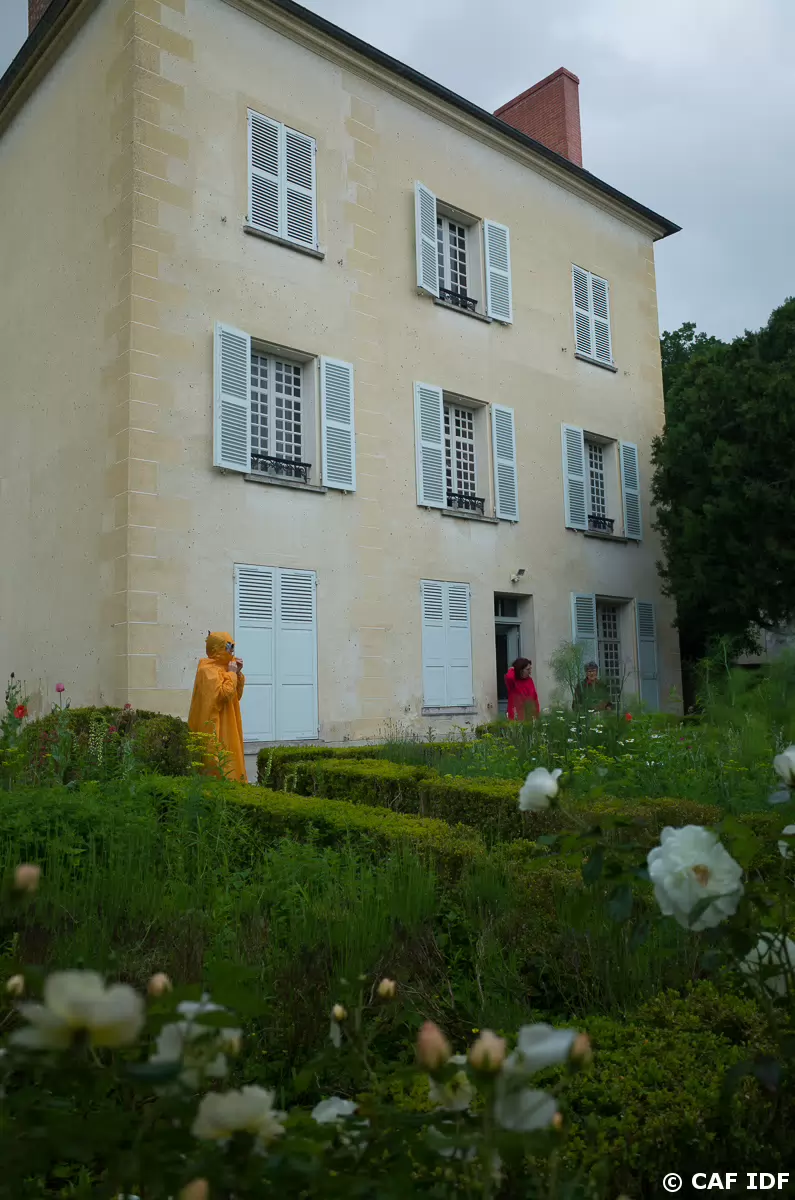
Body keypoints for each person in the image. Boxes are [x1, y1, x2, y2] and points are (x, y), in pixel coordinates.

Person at [188, 631, 247, 782]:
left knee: (231, 756)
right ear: (217, 649)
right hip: (216, 723)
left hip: (230, 721)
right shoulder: (207, 670)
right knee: (218, 759)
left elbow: (235, 696)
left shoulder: (226, 668)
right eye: (228, 647)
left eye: (233, 647)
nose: (231, 651)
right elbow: (223, 695)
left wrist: (237, 674)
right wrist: (232, 674)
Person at [504, 657, 540, 721]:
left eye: (530, 669)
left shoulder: (529, 680)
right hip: (516, 716)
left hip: (529, 715)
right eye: (528, 669)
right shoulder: (513, 681)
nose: (530, 672)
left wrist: (537, 713)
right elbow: (509, 677)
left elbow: (534, 697)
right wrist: (512, 669)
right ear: (520, 670)